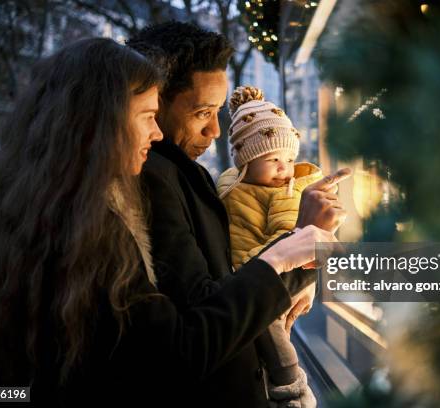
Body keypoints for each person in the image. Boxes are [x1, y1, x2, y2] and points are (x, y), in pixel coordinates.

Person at [0, 38, 334, 406]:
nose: (156, 134)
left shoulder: (52, 209)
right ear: (101, 124)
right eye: (148, 117)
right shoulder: (92, 227)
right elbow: (173, 353)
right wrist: (282, 258)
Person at [127, 22, 349, 407]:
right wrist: (301, 238)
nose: (214, 129)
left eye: (217, 112)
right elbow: (205, 317)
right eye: (202, 113)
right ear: (155, 102)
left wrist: (304, 257)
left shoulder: (184, 173)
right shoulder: (155, 178)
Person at [216, 85, 328, 407]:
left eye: (289, 158)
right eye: (273, 158)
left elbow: (290, 236)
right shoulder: (229, 186)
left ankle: (293, 388)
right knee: (262, 340)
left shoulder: (285, 192)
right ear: (245, 161)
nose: (284, 168)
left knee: (275, 338)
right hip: (244, 278)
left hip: (272, 277)